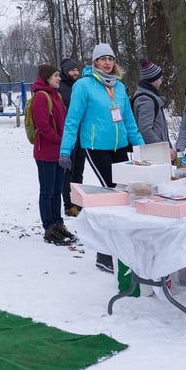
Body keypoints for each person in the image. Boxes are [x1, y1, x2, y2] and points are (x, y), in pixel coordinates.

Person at [58, 42, 145, 273]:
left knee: (126, 195)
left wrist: (142, 149)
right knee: (113, 196)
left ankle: (122, 249)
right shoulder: (83, 86)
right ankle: (104, 254)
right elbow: (72, 119)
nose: (107, 62)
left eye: (110, 58)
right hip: (96, 147)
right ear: (95, 62)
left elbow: (129, 120)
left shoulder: (119, 87)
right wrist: (66, 151)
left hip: (120, 146)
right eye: (102, 59)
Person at [32, 64, 76, 245]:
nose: (59, 78)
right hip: (45, 153)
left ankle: (58, 223)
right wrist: (60, 140)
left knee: (57, 190)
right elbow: (42, 125)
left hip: (59, 152)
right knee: (47, 191)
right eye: (56, 75)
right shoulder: (41, 97)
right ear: (47, 78)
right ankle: (48, 227)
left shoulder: (56, 95)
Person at [132, 57, 177, 161]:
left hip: (157, 150)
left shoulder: (151, 96)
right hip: (153, 153)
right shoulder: (146, 100)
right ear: (153, 79)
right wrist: (163, 149)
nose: (161, 81)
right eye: (160, 78)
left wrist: (168, 147)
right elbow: (145, 129)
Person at [58, 57, 85, 217]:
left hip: (81, 134)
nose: (75, 73)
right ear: (65, 71)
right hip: (67, 134)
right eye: (72, 70)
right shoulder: (60, 87)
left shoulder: (80, 86)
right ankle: (68, 204)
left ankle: (78, 202)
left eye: (77, 70)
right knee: (67, 171)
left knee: (78, 171)